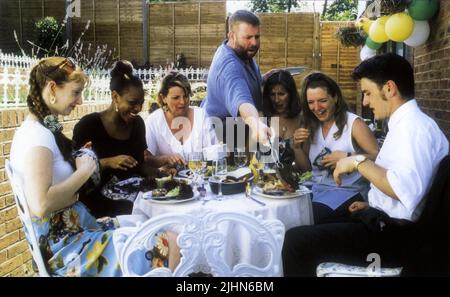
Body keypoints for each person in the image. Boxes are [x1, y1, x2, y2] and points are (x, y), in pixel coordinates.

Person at [9, 57, 180, 276]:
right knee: (172, 243)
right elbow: (41, 204)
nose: (80, 101)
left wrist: (80, 162)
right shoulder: (36, 137)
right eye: (75, 92)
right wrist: (84, 170)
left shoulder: (41, 129)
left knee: (147, 222)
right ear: (52, 88)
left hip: (75, 234)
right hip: (69, 252)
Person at [282, 53, 449, 276]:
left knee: (296, 242)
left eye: (367, 93)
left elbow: (403, 189)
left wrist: (356, 161)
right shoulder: (406, 125)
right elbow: (403, 185)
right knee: (307, 230)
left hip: (396, 239)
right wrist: (372, 207)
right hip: (385, 223)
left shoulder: (414, 129)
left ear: (389, 89)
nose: (365, 102)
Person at [293, 72, 379, 224]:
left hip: (348, 191)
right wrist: (297, 147)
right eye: (311, 102)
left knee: (307, 216)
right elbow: (305, 168)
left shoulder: (354, 124)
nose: (316, 107)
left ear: (335, 98)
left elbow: (379, 158)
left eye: (322, 101)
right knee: (289, 209)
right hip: (317, 189)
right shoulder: (311, 125)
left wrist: (348, 157)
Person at [73, 60, 156, 218]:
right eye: (132, 102)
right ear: (115, 97)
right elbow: (74, 172)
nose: (138, 109)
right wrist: (107, 162)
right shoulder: (88, 126)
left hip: (134, 204)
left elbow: (139, 166)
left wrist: (159, 173)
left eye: (141, 103)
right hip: (98, 209)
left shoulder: (137, 124)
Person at [201, 10, 271, 148]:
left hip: (236, 131)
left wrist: (262, 79)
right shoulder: (229, 65)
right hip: (221, 139)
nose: (254, 43)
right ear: (232, 36)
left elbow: (242, 81)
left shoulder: (242, 52)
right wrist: (256, 124)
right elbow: (242, 101)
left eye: (257, 36)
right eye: (248, 37)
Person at [145, 71, 218, 168]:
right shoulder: (153, 121)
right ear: (163, 98)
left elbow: (213, 153)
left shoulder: (201, 115)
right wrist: (166, 159)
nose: (182, 102)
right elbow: (146, 159)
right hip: (168, 181)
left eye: (186, 96)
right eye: (176, 98)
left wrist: (220, 151)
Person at [260, 69, 305, 167]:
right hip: (264, 180)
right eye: (272, 94)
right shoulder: (261, 118)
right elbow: (249, 159)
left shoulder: (302, 120)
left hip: (294, 180)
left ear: (291, 94)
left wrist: (297, 148)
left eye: (281, 94)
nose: (276, 100)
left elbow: (307, 168)